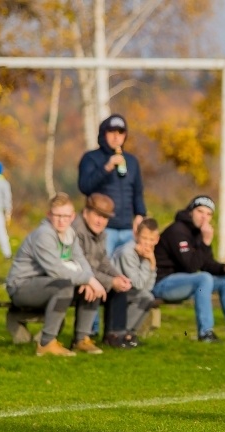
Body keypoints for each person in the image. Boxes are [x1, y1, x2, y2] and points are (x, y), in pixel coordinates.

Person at [5, 193, 107, 356]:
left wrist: (90, 280)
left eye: (66, 216)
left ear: (73, 217)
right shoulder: (43, 234)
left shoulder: (70, 234)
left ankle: (81, 339)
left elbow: (82, 262)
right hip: (22, 287)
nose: (62, 220)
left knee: (91, 287)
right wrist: (88, 279)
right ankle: (46, 343)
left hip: (47, 284)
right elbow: (56, 270)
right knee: (65, 287)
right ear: (49, 215)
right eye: (57, 215)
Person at [152, 195, 225, 344]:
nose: (204, 217)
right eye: (200, 211)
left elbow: (206, 264)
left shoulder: (199, 232)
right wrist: (205, 242)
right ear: (191, 211)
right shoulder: (177, 231)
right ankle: (205, 333)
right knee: (203, 278)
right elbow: (190, 267)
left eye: (208, 214)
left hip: (185, 282)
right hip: (162, 284)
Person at [78, 114, 147, 256]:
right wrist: (107, 168)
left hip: (128, 230)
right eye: (112, 132)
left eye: (120, 132)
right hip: (103, 229)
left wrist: (140, 214)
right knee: (103, 269)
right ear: (104, 134)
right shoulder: (91, 158)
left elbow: (137, 191)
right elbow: (85, 186)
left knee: (127, 272)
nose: (116, 137)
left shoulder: (131, 161)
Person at [72, 193, 134, 352]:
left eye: (105, 217)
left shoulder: (100, 233)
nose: (101, 221)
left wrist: (117, 276)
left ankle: (115, 336)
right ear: (86, 212)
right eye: (97, 215)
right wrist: (110, 282)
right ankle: (81, 338)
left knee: (119, 286)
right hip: (71, 278)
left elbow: (103, 260)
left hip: (86, 276)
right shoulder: (76, 231)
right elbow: (81, 266)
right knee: (96, 286)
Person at [109, 218, 160, 347]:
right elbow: (138, 284)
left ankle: (130, 333)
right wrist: (148, 262)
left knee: (148, 297)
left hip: (129, 289)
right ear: (136, 235)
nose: (147, 243)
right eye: (144, 238)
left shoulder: (147, 254)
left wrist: (152, 266)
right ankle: (120, 334)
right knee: (145, 296)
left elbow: (147, 287)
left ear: (157, 239)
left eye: (151, 239)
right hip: (114, 290)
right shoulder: (128, 252)